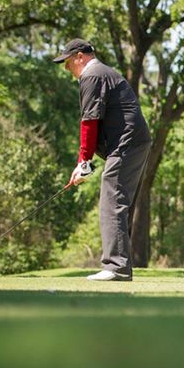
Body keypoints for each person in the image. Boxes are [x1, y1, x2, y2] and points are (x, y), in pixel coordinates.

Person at [53, 38, 151, 281]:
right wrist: (86, 161)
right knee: (116, 199)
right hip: (133, 142)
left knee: (112, 198)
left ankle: (116, 268)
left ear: (80, 56)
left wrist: (83, 161)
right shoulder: (100, 74)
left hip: (128, 143)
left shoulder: (92, 75)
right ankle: (119, 267)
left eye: (68, 63)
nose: (67, 69)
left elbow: (89, 121)